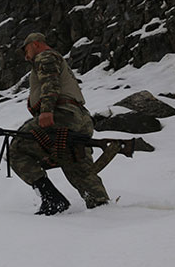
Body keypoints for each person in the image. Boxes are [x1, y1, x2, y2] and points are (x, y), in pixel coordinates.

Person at [9, 32, 109, 215]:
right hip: (80, 117)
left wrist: (46, 110)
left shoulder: (45, 56)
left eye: (26, 49)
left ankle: (52, 199)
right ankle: (101, 206)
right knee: (74, 159)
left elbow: (50, 82)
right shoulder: (56, 59)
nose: (25, 55)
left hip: (61, 115)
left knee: (17, 148)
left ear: (36, 44)